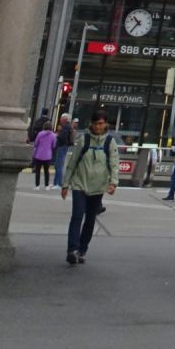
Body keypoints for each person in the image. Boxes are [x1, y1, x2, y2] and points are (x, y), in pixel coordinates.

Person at [60, 108, 118, 265]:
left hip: (98, 186)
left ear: (105, 124)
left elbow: (114, 163)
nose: (98, 127)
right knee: (77, 216)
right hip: (80, 183)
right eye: (95, 124)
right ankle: (72, 249)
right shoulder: (83, 140)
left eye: (101, 124)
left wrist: (113, 183)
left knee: (90, 219)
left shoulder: (109, 142)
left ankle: (82, 249)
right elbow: (72, 163)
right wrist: (65, 184)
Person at [32, 120, 56, 189]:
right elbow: (53, 145)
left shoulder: (40, 134)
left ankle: (37, 185)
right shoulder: (53, 135)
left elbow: (36, 143)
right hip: (48, 155)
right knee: (46, 171)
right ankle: (46, 185)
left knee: (38, 171)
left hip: (39, 154)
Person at [52, 114, 73, 190]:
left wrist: (57, 135)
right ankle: (55, 182)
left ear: (64, 119)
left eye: (61, 118)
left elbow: (63, 137)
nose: (60, 119)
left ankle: (59, 183)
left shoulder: (65, 127)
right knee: (58, 165)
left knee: (59, 165)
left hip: (62, 146)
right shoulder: (67, 126)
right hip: (63, 146)